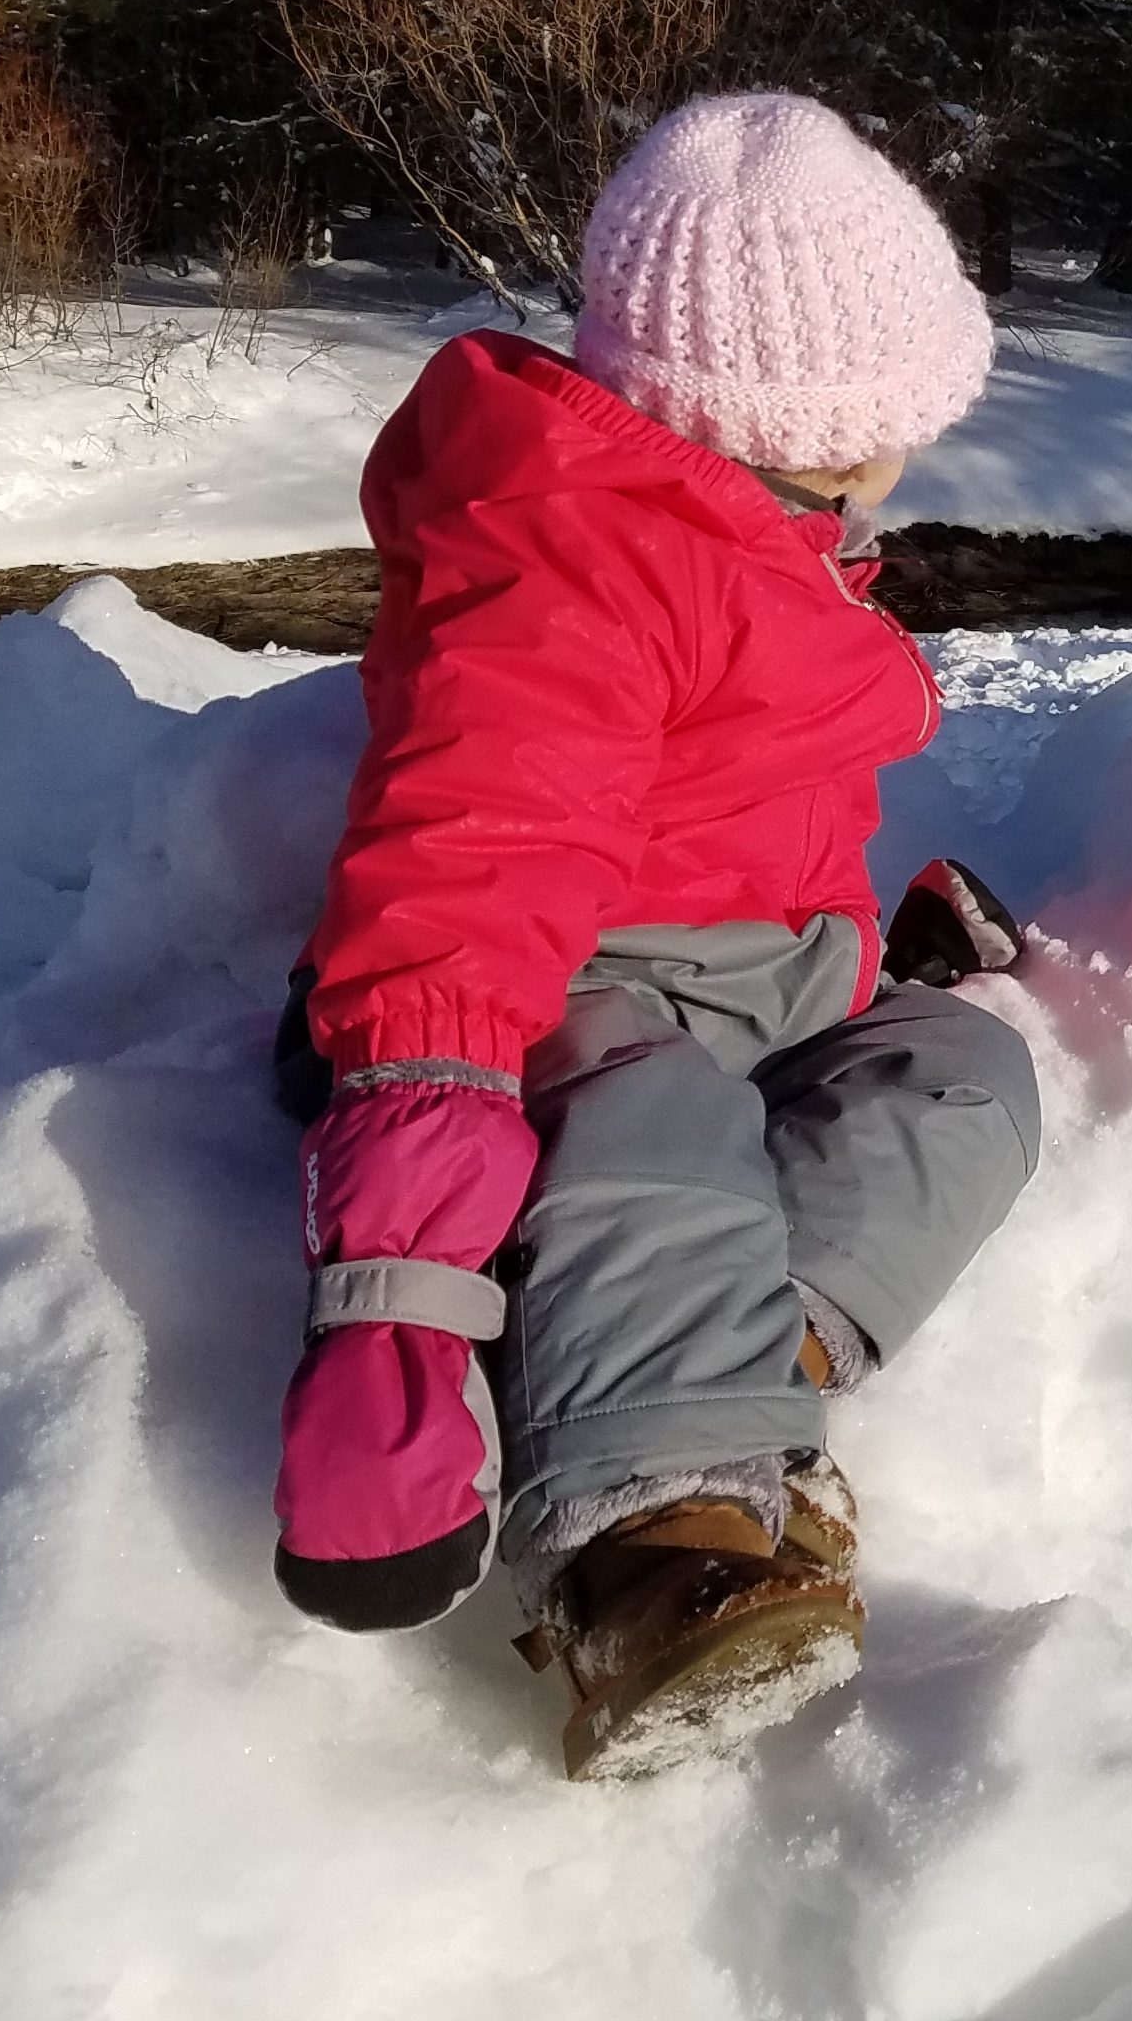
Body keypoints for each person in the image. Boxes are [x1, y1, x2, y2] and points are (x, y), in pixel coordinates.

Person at [265, 92, 1042, 1779]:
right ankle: (655, 1543)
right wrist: (400, 1207)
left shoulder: (757, 534)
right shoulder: (577, 569)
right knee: (663, 1116)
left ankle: (748, 1366)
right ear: (815, 428)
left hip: (764, 976)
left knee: (971, 1077)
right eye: (903, 420)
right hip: (572, 994)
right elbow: (475, 851)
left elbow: (748, 793)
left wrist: (872, 955)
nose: (913, 454)